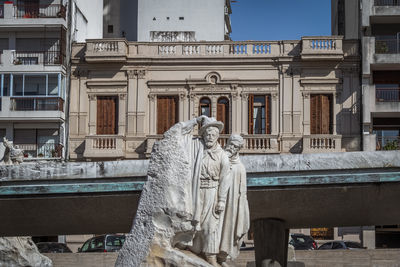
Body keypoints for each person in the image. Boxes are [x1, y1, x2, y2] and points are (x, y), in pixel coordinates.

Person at [179, 116, 231, 266]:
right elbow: (178, 133)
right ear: (202, 135)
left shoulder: (222, 156)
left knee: (211, 225)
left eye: (213, 135)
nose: (209, 137)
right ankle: (189, 247)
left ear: (217, 136)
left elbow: (225, 179)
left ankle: (211, 255)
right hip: (195, 190)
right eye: (207, 134)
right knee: (194, 222)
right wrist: (195, 121)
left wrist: (221, 200)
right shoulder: (195, 147)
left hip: (212, 192)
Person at [218, 134, 250, 266]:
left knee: (228, 228)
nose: (232, 148)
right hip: (217, 201)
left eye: (236, 147)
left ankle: (222, 256)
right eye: (231, 145)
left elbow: (242, 193)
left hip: (232, 204)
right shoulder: (219, 158)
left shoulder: (240, 167)